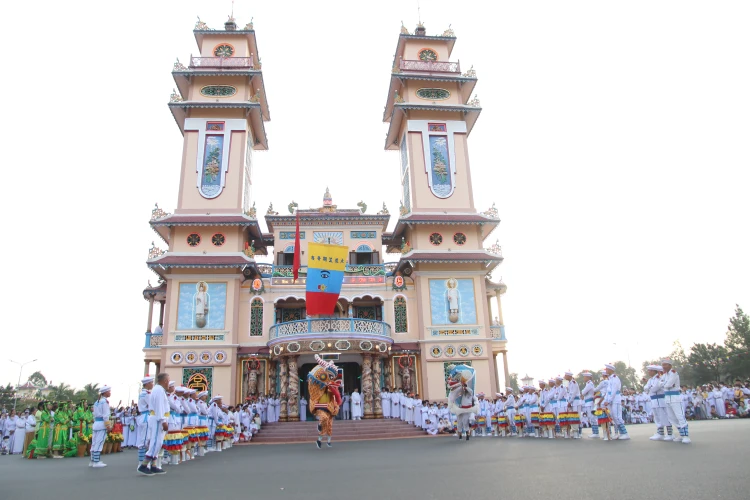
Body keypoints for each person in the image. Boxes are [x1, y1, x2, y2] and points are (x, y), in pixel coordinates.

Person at [138, 372, 169, 476]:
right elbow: (159, 406)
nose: (168, 383)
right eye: (168, 380)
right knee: (156, 442)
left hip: (157, 418)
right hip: (157, 418)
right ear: (164, 381)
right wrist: (163, 420)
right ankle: (143, 465)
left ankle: (154, 466)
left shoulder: (158, 390)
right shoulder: (159, 390)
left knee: (158, 442)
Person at [660, 359, 690, 443]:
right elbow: (661, 384)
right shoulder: (665, 375)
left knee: (679, 416)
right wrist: (665, 384)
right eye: (663, 365)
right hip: (667, 397)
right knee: (672, 417)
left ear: (670, 366)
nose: (663, 367)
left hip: (675, 397)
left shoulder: (674, 373)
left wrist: (664, 384)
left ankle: (686, 436)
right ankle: (681, 434)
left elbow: (668, 384)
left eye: (665, 365)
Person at [602, 363, 629, 440]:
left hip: (616, 399)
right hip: (611, 400)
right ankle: (621, 433)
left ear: (611, 370)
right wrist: (606, 400)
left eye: (607, 369)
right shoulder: (610, 379)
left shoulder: (615, 378)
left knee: (617, 417)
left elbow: (614, 391)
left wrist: (609, 400)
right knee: (613, 417)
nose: (606, 370)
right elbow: (608, 391)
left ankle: (625, 433)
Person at [90, 386, 112, 468]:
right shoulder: (104, 402)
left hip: (96, 423)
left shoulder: (97, 401)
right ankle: (96, 462)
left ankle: (92, 460)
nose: (110, 393)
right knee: (99, 443)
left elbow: (94, 414)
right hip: (102, 424)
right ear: (105, 392)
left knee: (94, 442)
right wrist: (108, 426)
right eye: (109, 391)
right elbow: (106, 415)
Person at [136, 375, 154, 466]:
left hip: (144, 416)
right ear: (147, 384)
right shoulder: (147, 394)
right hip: (146, 417)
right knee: (145, 441)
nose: (152, 384)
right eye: (151, 382)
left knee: (146, 439)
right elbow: (152, 405)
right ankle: (142, 463)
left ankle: (144, 461)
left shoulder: (143, 393)